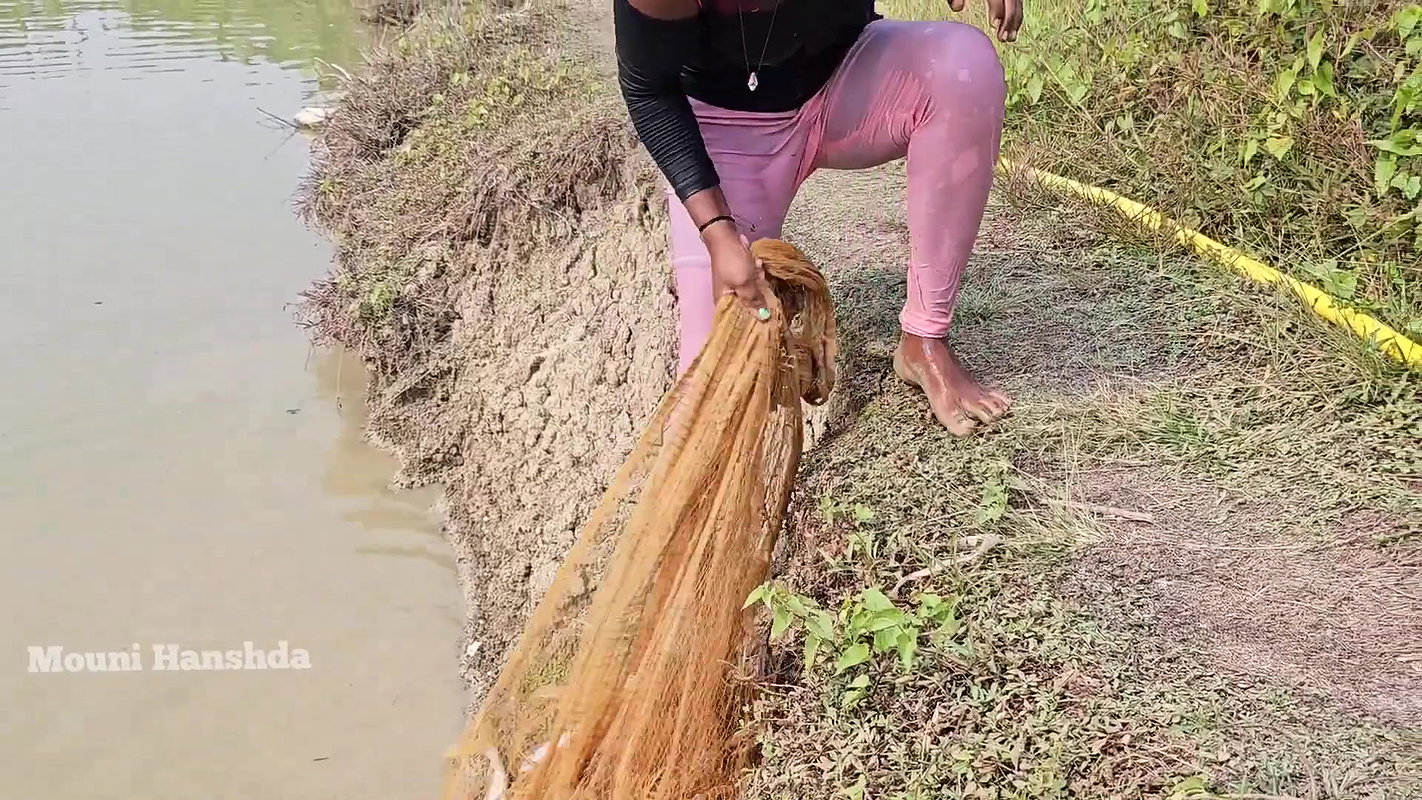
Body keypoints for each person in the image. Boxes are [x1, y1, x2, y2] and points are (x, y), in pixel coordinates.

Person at [614, 0, 1023, 436]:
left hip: (843, 78)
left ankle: (924, 338)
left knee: (964, 66)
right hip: (727, 128)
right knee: (713, 389)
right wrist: (716, 231)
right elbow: (647, 89)